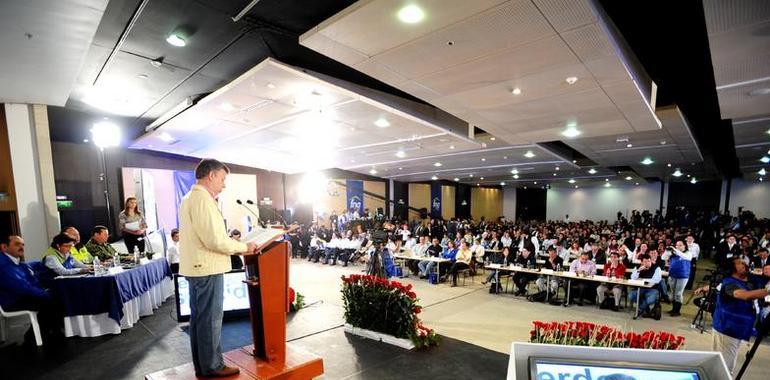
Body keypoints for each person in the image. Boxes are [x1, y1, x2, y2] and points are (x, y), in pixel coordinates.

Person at [179, 159, 258, 378]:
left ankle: (203, 365)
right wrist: (244, 247)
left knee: (200, 320)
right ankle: (212, 366)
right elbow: (215, 240)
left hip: (198, 267)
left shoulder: (191, 198)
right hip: (206, 267)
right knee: (210, 320)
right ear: (211, 175)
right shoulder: (202, 200)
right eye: (222, 179)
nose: (224, 184)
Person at [708, 257, 769, 374]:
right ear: (732, 268)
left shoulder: (751, 279)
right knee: (725, 367)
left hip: (739, 328)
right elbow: (744, 295)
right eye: (740, 263)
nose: (744, 264)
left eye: (744, 262)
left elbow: (763, 280)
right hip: (727, 329)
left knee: (727, 363)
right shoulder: (729, 283)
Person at [0, 235, 63, 342]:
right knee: (50, 301)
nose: (21, 247)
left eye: (22, 244)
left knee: (58, 296)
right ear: (4, 247)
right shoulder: (3, 266)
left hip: (25, 296)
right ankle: (34, 337)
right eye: (17, 244)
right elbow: (22, 287)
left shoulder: (18, 263)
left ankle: (52, 332)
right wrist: (45, 293)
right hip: (12, 301)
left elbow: (33, 280)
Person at [662, 239, 692, 317]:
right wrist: (667, 250)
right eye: (677, 245)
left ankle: (677, 311)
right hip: (672, 275)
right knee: (673, 293)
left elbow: (686, 257)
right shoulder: (673, 253)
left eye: (680, 245)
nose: (678, 247)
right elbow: (663, 257)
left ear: (684, 245)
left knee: (678, 293)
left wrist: (675, 250)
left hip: (683, 276)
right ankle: (673, 309)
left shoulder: (688, 253)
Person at [629, 254, 662, 319]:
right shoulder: (637, 267)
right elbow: (632, 278)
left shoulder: (657, 268)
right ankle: (645, 307)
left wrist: (642, 280)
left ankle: (640, 309)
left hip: (652, 289)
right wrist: (638, 271)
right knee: (631, 296)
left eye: (649, 261)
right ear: (641, 262)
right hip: (639, 288)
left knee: (650, 300)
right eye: (645, 262)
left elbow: (656, 280)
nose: (647, 263)